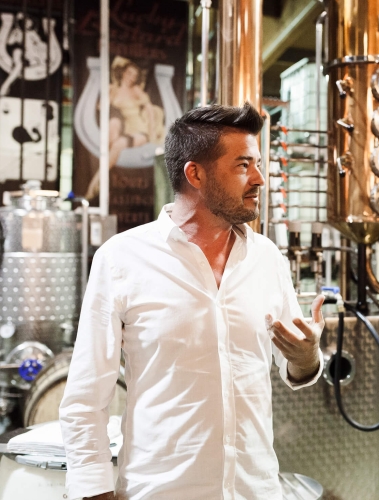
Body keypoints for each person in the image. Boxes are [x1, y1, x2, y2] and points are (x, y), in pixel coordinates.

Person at [60, 103, 324, 500]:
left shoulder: (267, 258)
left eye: (258, 164)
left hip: (256, 489)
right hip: (161, 491)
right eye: (242, 165)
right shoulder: (121, 259)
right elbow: (85, 397)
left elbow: (294, 366)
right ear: (195, 174)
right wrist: (95, 490)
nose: (260, 179)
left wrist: (306, 359)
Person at [85, 57, 165, 199]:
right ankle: (103, 185)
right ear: (123, 73)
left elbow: (150, 112)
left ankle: (95, 183)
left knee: (117, 145)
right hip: (126, 129)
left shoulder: (136, 91)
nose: (131, 78)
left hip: (141, 132)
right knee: (111, 135)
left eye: (134, 75)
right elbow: (102, 107)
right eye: (129, 73)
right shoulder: (113, 90)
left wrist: (152, 132)